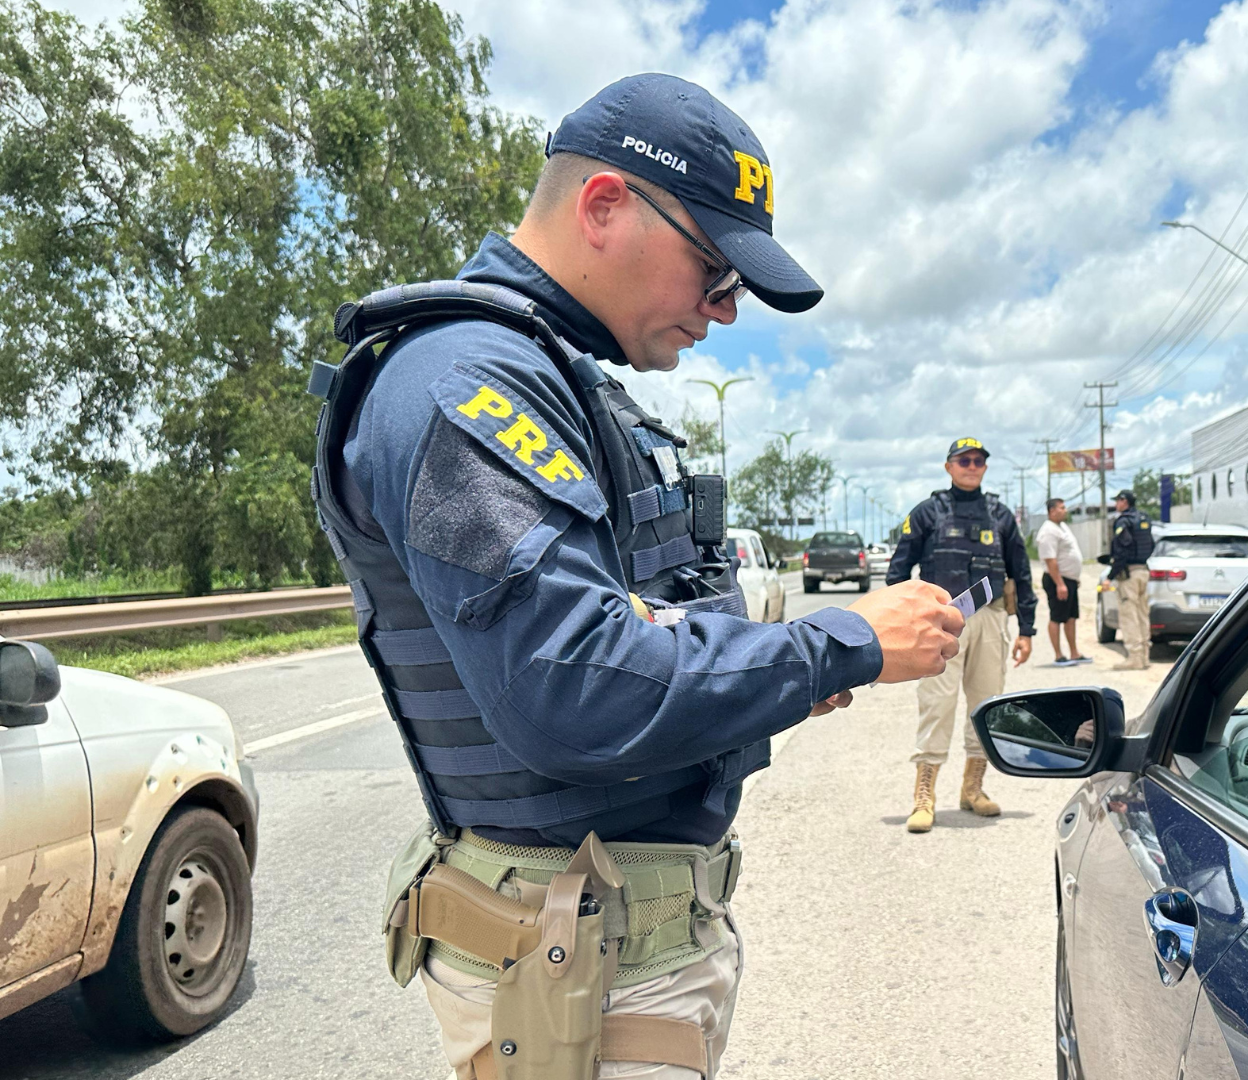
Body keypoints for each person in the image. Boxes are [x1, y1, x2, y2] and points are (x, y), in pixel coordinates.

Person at [309, 73, 963, 1080]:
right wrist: (845, 640)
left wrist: (766, 670)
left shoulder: (556, 380)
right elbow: (573, 688)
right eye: (713, 271)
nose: (727, 311)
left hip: (623, 953)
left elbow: (646, 622)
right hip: (573, 976)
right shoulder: (463, 389)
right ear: (606, 205)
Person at [887, 437, 1038, 832]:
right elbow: (898, 572)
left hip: (989, 620)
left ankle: (973, 789)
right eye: (963, 460)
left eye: (978, 460)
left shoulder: (1001, 515)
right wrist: (900, 623)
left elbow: (1022, 574)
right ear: (949, 466)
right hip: (940, 620)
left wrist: (1026, 629)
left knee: (985, 704)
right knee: (937, 703)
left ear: (985, 467)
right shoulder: (927, 513)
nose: (972, 466)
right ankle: (924, 795)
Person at [1035, 497, 1089, 666]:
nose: (1065, 510)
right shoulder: (1048, 531)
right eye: (1062, 508)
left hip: (1069, 580)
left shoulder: (1062, 527)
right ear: (1052, 511)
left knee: (1071, 617)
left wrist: (1074, 578)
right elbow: (1050, 560)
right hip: (1057, 580)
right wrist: (1059, 583)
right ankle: (1058, 655)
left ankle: (1074, 652)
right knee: (1057, 617)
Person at [1108, 489, 1155, 670]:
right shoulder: (1143, 518)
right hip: (1143, 570)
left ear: (1124, 501)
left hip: (1129, 575)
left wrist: (1111, 575)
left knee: (1129, 615)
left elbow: (1122, 550)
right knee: (1143, 614)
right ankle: (1145, 656)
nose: (1116, 505)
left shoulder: (1123, 521)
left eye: (1118, 501)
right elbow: (1151, 545)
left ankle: (1134, 657)